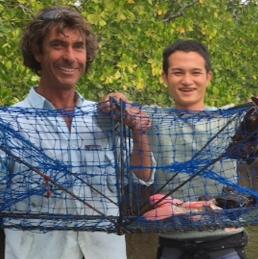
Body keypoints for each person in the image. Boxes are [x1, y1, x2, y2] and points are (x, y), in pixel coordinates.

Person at [1, 6, 153, 259]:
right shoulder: (8, 122)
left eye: (78, 46)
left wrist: (138, 131)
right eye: (58, 45)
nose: (70, 57)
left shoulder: (106, 116)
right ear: (38, 52)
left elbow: (143, 177)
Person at [106, 39, 248, 259]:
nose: (187, 81)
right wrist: (115, 100)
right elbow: (113, 109)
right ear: (165, 77)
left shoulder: (229, 118)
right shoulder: (150, 118)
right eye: (178, 72)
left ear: (208, 77)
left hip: (225, 243)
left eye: (196, 72)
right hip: (172, 243)